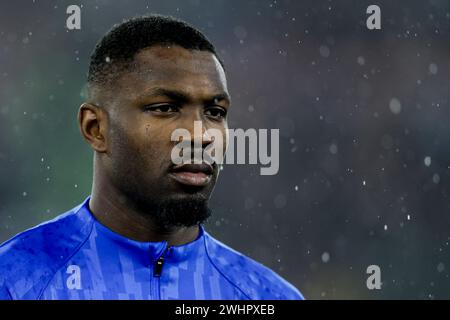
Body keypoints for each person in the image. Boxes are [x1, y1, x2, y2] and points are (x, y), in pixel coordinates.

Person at [0, 15, 304, 300]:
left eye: (215, 113)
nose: (200, 136)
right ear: (96, 129)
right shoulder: (16, 281)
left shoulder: (266, 296)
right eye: (165, 108)